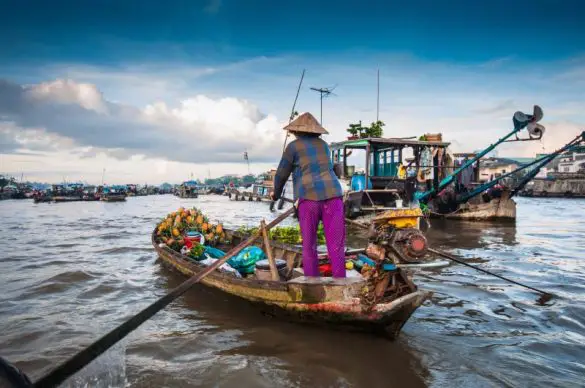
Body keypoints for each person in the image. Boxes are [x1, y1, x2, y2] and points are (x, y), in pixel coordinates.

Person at [270, 112, 346, 278]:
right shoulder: (324, 145)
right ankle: (341, 281)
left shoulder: (292, 147)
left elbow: (281, 174)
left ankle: (312, 281)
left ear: (296, 131)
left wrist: (275, 195)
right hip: (334, 196)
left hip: (309, 198)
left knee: (309, 245)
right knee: (336, 245)